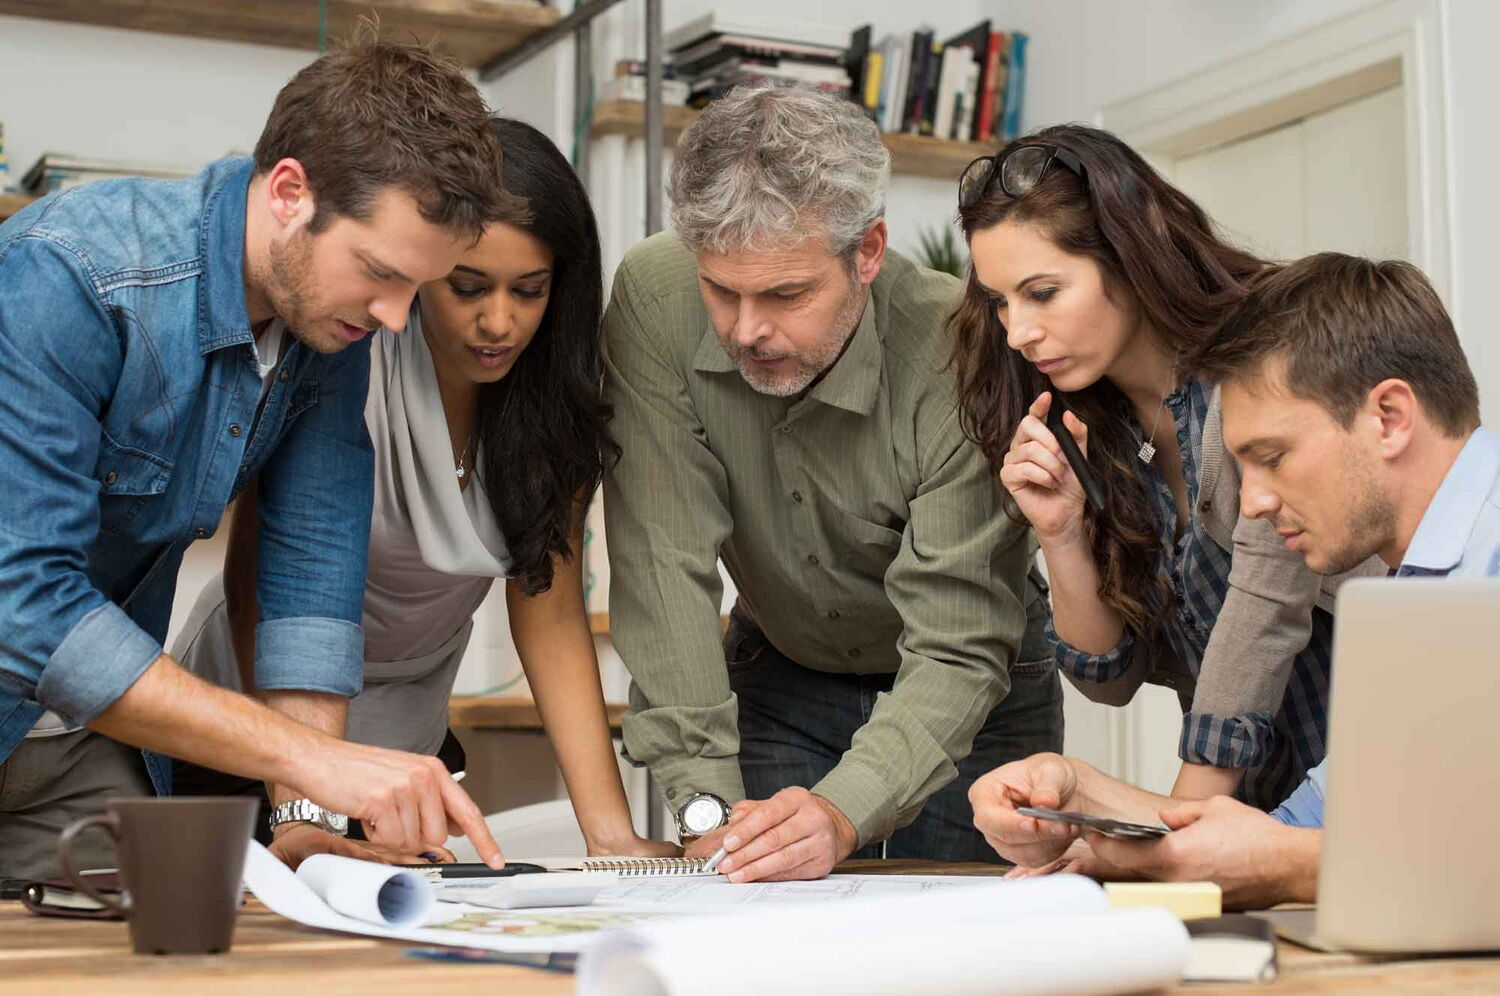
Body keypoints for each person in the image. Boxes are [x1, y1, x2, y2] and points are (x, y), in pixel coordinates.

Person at [0, 34, 524, 879]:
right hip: (32, 670)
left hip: (67, 744)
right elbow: (24, 607)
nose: (394, 319)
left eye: (414, 290)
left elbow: (311, 568)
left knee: (188, 935)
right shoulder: (70, 277)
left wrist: (306, 811)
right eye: (379, 273)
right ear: (289, 192)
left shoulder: (329, 323)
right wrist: (311, 758)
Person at [171, 118, 674, 865]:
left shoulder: (550, 411)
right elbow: (260, 593)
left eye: (529, 292)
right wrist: (300, 803)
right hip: (254, 741)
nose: (498, 322)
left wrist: (608, 833)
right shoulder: (344, 363)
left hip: (408, 749)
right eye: (467, 288)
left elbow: (550, 613)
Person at [603, 84, 1063, 884]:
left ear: (869, 251)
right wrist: (702, 809)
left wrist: (845, 809)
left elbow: (959, 641)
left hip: (974, 698)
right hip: (782, 673)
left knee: (965, 953)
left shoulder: (964, 346)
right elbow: (659, 565)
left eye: (786, 294)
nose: (747, 330)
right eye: (721, 290)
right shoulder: (654, 297)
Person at [970, 252, 1492, 908]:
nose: (1253, 505)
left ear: (1388, 417)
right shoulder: (1412, 601)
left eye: (1272, 459)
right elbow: (1299, 834)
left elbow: (1291, 855)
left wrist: (1289, 866)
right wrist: (1082, 798)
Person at [951, 125, 1382, 820]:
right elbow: (1109, 677)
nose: (1018, 332)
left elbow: (1265, 612)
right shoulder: (1098, 425)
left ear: (1128, 255)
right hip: (1259, 807)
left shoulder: (1260, 363)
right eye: (1001, 302)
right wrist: (1062, 534)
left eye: (1042, 292)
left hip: (1382, 771)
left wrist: (1176, 844)